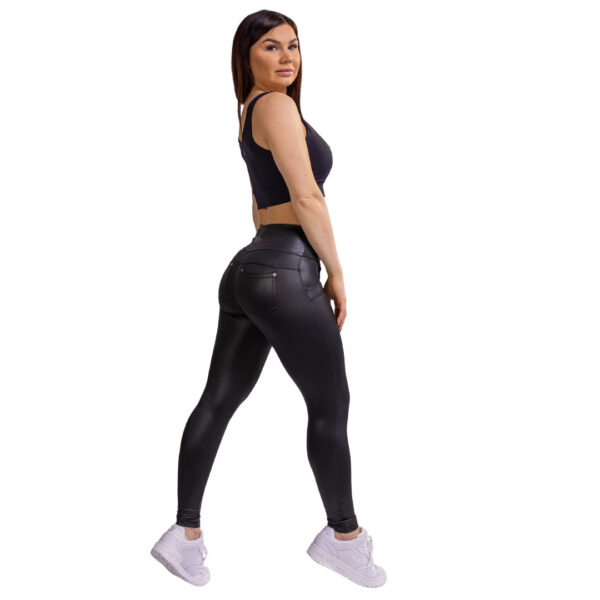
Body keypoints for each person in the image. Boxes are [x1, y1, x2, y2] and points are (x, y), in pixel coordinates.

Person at [150, 10, 386, 588]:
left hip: (250, 267)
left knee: (218, 399)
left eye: (294, 46)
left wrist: (276, 259)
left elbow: (260, 206)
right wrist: (336, 271)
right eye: (271, 47)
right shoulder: (277, 107)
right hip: (287, 268)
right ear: (246, 56)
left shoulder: (249, 111)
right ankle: (344, 538)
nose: (286, 57)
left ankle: (184, 533)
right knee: (330, 406)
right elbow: (306, 197)